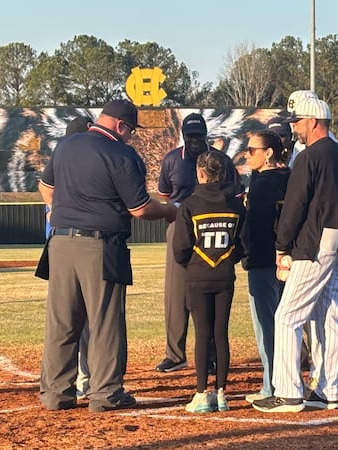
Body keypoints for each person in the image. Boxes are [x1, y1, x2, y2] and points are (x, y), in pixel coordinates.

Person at [38, 99, 177, 413]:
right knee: (104, 321)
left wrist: (65, 212)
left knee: (62, 322)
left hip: (59, 243)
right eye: (131, 131)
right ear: (121, 125)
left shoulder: (67, 144)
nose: (131, 137)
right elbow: (140, 208)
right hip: (100, 246)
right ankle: (105, 394)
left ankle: (56, 394)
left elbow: (46, 188)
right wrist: (171, 212)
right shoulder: (121, 153)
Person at [252, 95, 338, 413]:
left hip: (316, 243)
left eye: (297, 121)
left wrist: (282, 246)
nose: (294, 127)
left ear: (313, 121)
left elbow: (295, 205)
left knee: (287, 316)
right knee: (332, 315)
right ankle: (329, 389)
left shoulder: (310, 157)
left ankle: (288, 392)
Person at [156, 113, 242, 373]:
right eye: (190, 136)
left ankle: (212, 355)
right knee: (175, 292)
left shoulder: (222, 160)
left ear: (206, 135)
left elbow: (237, 195)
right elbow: (164, 194)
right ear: (184, 136)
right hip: (181, 224)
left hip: (215, 226)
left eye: (199, 136)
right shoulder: (172, 159)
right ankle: (175, 353)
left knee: (212, 288)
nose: (194, 141)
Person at [172, 150, 245, 413]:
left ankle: (201, 394)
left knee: (203, 334)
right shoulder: (236, 204)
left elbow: (180, 248)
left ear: (200, 172)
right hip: (225, 275)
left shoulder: (190, 204)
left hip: (198, 276)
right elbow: (242, 244)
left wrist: (192, 264)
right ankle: (222, 393)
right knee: (220, 333)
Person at [42, 115, 94, 400]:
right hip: (78, 246)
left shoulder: (60, 163)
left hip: (59, 249)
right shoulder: (79, 169)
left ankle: (62, 383)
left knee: (64, 321)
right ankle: (85, 378)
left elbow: (45, 189)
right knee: (86, 320)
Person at [240, 130, 290, 403]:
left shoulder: (261, 185)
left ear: (269, 152)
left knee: (266, 324)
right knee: (288, 323)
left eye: (252, 150)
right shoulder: (291, 177)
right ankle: (290, 380)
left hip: (262, 260)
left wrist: (245, 253)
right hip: (287, 258)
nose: (248, 155)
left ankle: (272, 385)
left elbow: (255, 228)